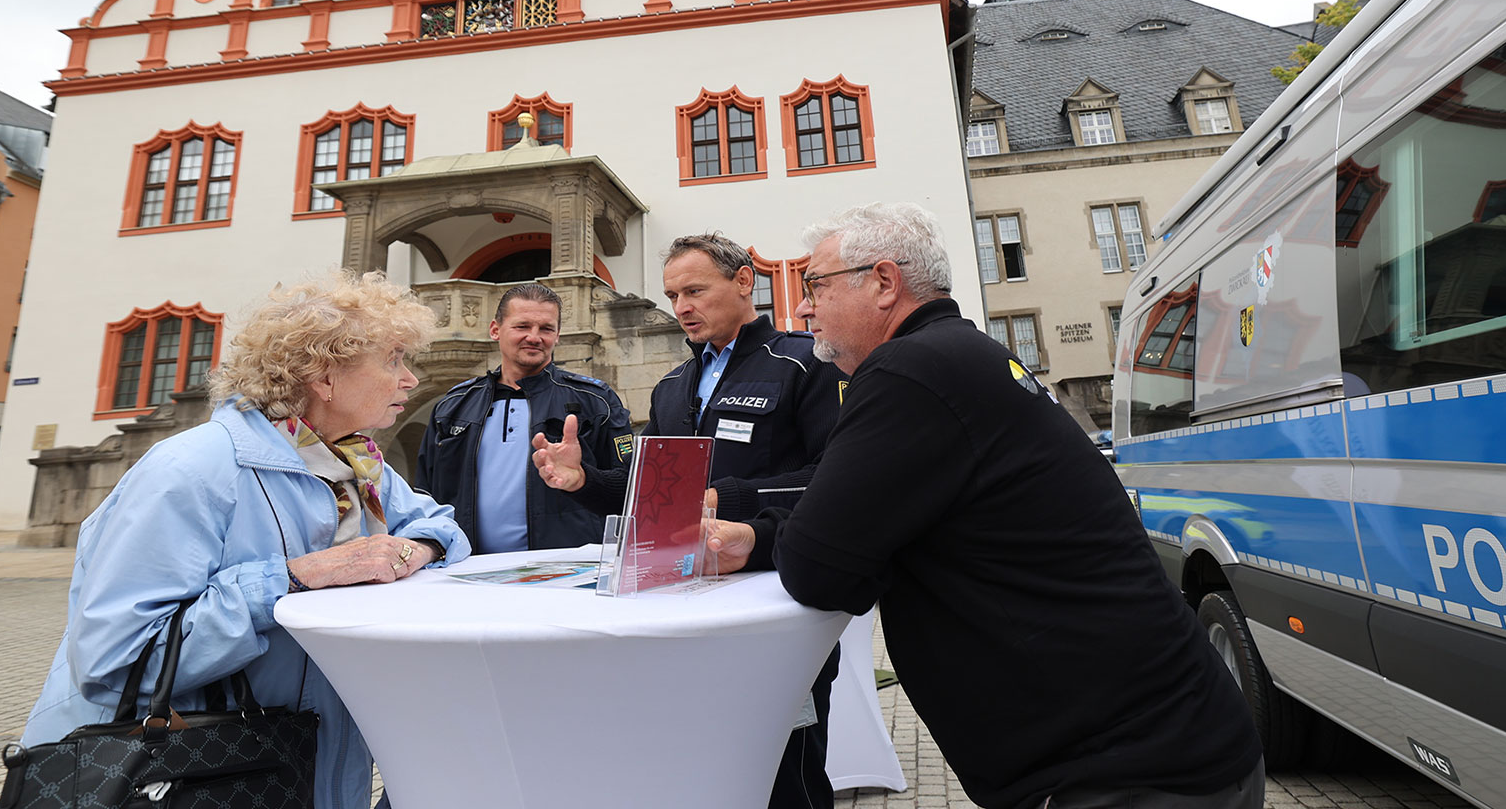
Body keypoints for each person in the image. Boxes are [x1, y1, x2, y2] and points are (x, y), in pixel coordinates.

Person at [704, 204, 1266, 809]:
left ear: (885, 283)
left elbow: (821, 567)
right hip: (1167, 749)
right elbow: (873, 511)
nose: (804, 306)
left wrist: (780, 541)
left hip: (1121, 777)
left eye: (816, 285)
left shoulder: (908, 372)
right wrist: (760, 538)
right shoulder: (957, 357)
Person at [22, 269, 471, 809]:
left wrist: (410, 549)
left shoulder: (355, 464)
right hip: (182, 774)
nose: (409, 379)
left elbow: (442, 527)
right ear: (324, 375)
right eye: (394, 358)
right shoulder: (192, 469)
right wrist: (294, 579)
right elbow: (116, 661)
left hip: (295, 764)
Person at [534, 232, 845, 809]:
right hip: (682, 600)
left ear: (744, 281)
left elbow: (835, 478)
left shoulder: (804, 363)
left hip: (774, 595)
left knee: (786, 769)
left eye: (695, 291)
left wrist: (727, 499)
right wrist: (585, 481)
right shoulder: (674, 385)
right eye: (673, 295)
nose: (681, 307)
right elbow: (657, 492)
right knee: (698, 764)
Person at [416, 281, 632, 552]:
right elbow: (424, 496)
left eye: (546, 328)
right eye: (522, 326)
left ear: (558, 335)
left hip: (565, 572)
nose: (534, 336)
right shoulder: (453, 406)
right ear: (495, 330)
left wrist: (582, 478)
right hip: (468, 573)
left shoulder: (595, 400)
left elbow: (632, 488)